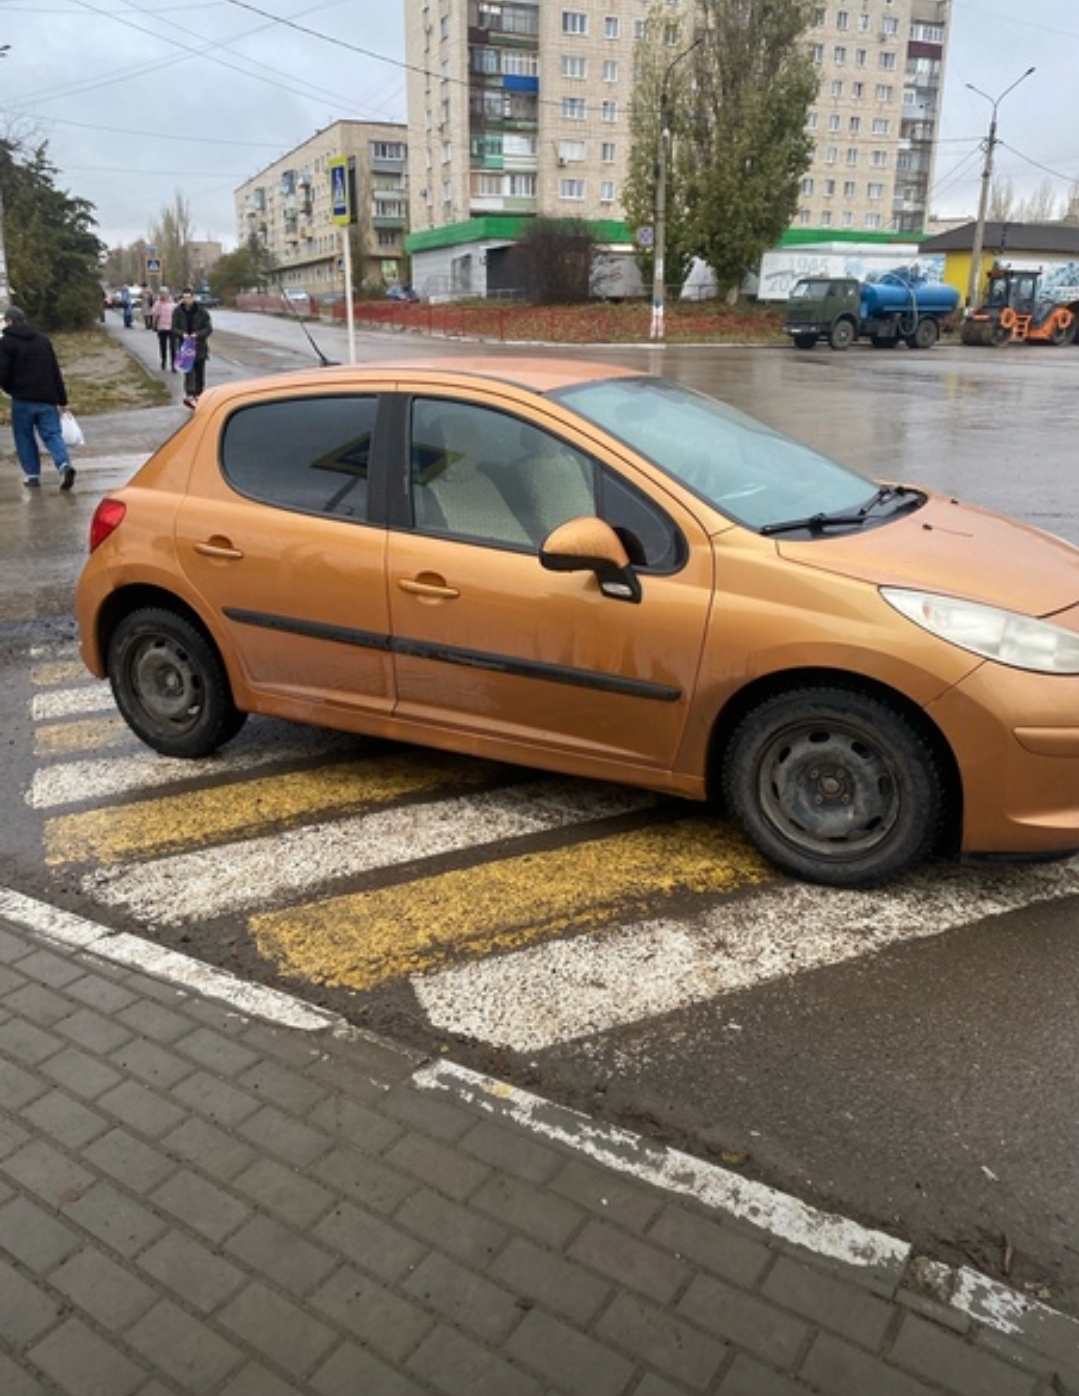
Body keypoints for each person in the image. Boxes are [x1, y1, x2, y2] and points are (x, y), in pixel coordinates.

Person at [0, 306, 76, 490]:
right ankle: (64, 465)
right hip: (47, 398)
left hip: (22, 399)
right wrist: (62, 400)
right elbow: (54, 371)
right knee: (52, 434)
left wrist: (9, 389)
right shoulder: (43, 341)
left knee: (24, 436)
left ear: (9, 321)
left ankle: (33, 475)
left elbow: (3, 371)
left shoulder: (6, 343)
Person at [172, 287, 212, 408]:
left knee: (199, 371)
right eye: (184, 298)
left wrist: (198, 335)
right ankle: (190, 394)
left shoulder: (201, 311)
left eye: (189, 297)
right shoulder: (178, 311)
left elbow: (208, 329)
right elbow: (174, 328)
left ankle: (199, 394)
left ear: (193, 298)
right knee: (189, 370)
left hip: (199, 346)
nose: (187, 300)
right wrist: (182, 334)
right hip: (186, 347)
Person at [150, 289, 176, 371]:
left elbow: (177, 316)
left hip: (172, 328)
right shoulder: (158, 304)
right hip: (162, 327)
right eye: (161, 294)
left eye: (164, 294)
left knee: (173, 347)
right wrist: (154, 325)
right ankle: (163, 360)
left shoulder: (173, 304)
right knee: (163, 346)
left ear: (168, 294)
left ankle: (173, 364)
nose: (163, 296)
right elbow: (155, 315)